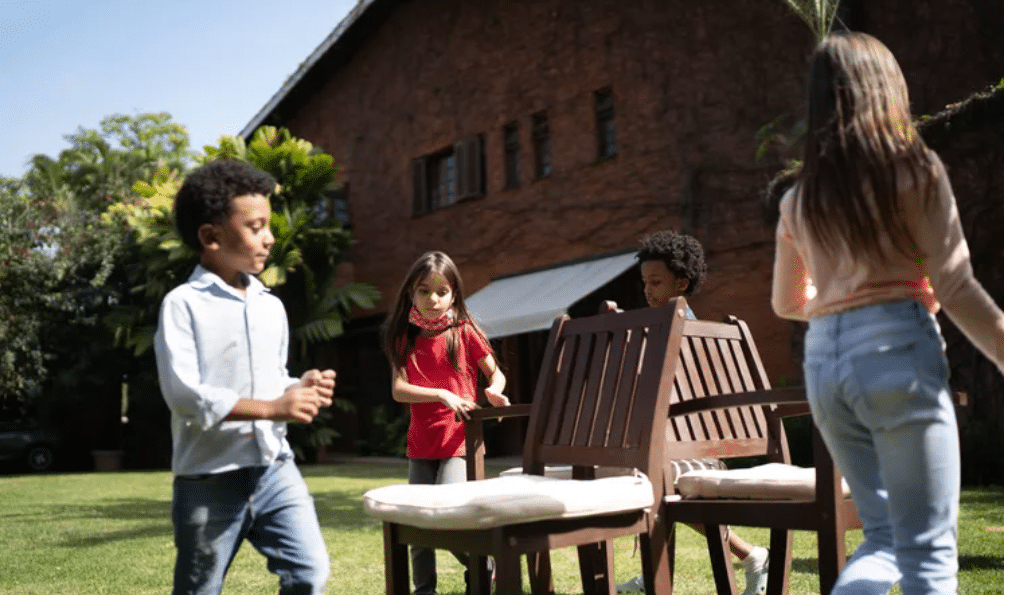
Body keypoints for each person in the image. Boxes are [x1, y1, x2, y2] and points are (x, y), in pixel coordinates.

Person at [772, 32, 1003, 594]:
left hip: (825, 363)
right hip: (897, 347)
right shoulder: (913, 170)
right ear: (887, 89)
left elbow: (784, 303)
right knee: (927, 551)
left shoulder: (799, 197)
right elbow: (953, 283)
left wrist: (839, 313)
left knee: (882, 539)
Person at [154, 160, 334, 595]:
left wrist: (297, 387)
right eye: (256, 227)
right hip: (209, 481)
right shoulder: (183, 305)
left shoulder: (270, 304)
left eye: (268, 225)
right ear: (211, 236)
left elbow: (272, 379)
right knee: (200, 590)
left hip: (275, 471)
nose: (269, 238)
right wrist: (274, 408)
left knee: (310, 574)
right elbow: (183, 395)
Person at [617, 230, 769, 595]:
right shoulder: (675, 326)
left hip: (694, 450)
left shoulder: (679, 329)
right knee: (647, 473)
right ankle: (655, 573)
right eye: (644, 283)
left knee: (649, 481)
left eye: (656, 282)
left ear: (681, 282)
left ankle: (751, 555)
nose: (647, 290)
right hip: (676, 443)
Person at [380, 250, 509, 595]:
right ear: (411, 293)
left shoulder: (465, 330)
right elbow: (399, 390)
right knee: (418, 519)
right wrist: (441, 394)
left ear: (454, 294)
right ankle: (425, 590)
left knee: (445, 516)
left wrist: (495, 392)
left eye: (442, 292)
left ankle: (484, 564)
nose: (433, 300)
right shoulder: (403, 336)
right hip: (421, 443)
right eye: (424, 291)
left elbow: (495, 375)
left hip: (459, 441)